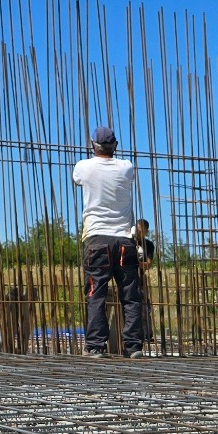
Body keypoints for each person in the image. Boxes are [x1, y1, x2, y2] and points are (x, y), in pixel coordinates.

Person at [73, 126, 140, 356]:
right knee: (130, 295)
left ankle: (95, 347)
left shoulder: (83, 167)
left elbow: (77, 180)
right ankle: (133, 347)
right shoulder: (127, 167)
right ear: (116, 146)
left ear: (93, 145)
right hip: (124, 240)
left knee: (95, 295)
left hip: (97, 240)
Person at [128, 218, 155, 353]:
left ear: (146, 231)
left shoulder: (148, 245)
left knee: (144, 305)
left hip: (140, 278)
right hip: (126, 278)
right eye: (138, 230)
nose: (139, 233)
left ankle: (146, 333)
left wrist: (135, 265)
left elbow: (148, 263)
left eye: (142, 231)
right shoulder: (128, 242)